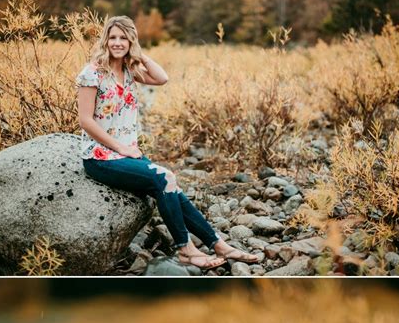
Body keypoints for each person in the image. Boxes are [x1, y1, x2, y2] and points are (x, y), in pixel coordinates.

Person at [77, 15, 263, 271]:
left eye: (124, 38)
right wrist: (120, 148)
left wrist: (139, 55)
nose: (117, 43)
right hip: (99, 158)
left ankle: (217, 243)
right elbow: (85, 120)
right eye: (113, 37)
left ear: (132, 41)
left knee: (170, 186)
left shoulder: (130, 70)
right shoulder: (92, 73)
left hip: (127, 155)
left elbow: (162, 78)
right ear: (105, 40)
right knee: (165, 178)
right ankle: (185, 249)